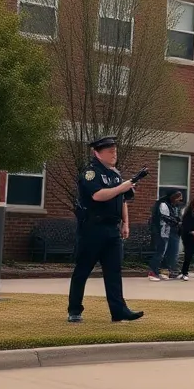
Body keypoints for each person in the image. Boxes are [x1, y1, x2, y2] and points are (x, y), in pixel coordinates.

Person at [67, 135, 144, 323]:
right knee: (83, 270)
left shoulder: (115, 174)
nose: (113, 154)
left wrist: (126, 223)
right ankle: (74, 310)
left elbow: (123, 200)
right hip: (92, 229)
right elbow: (98, 196)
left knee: (114, 271)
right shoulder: (90, 173)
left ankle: (119, 311)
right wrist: (122, 186)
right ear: (97, 152)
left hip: (112, 229)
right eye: (110, 151)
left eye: (115, 151)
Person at [148, 190, 184, 281]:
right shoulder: (163, 204)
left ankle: (167, 271)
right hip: (162, 232)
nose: (180, 200)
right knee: (161, 252)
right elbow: (165, 217)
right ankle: (152, 272)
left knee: (171, 252)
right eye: (178, 198)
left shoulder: (174, 206)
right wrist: (177, 223)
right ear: (173, 197)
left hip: (171, 232)